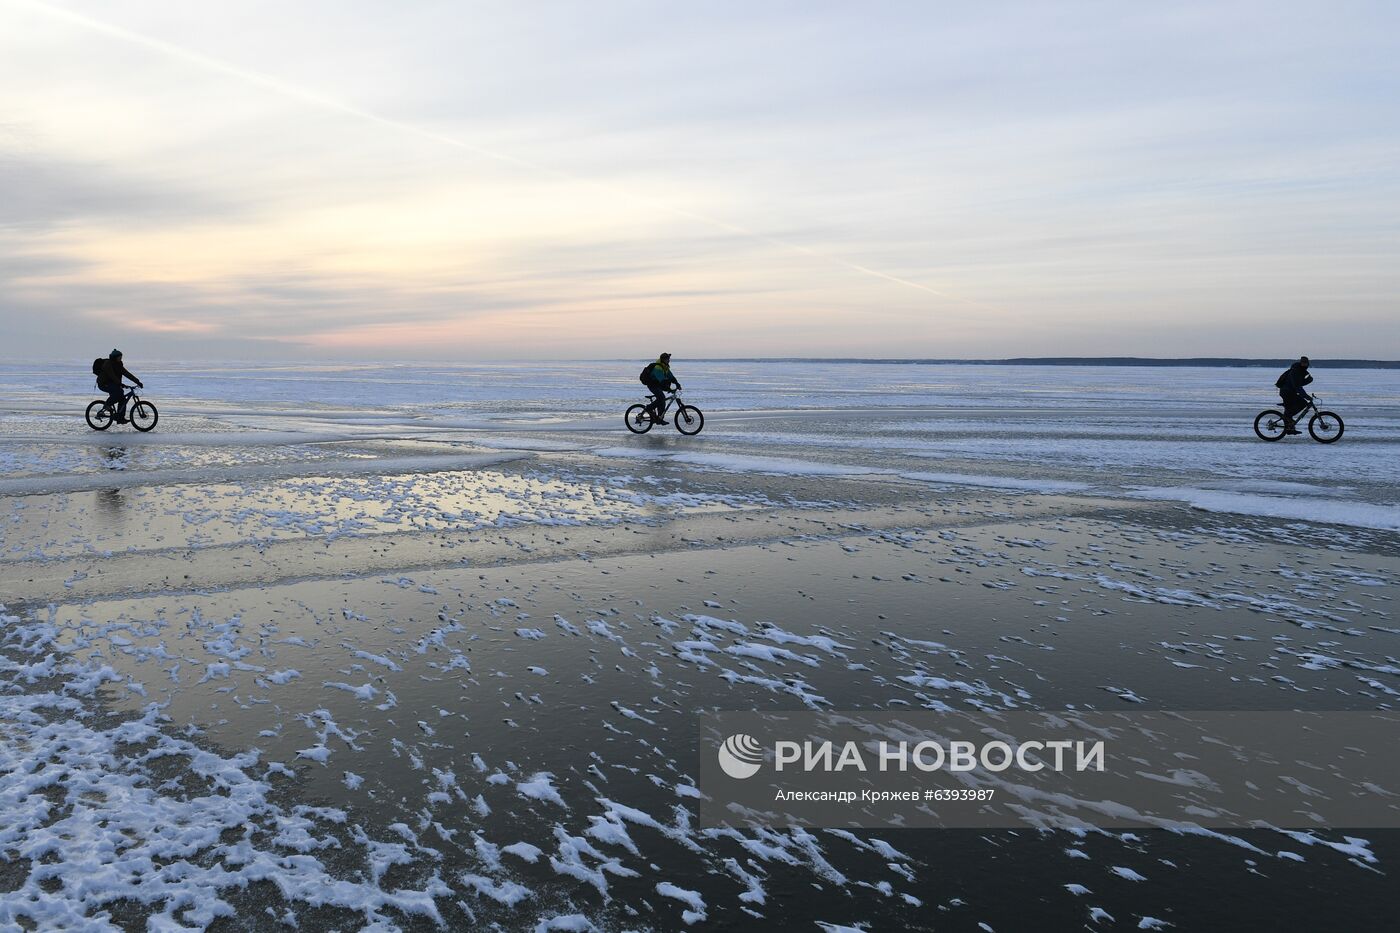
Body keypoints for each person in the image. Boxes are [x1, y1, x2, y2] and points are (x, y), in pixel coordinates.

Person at [97, 349, 142, 423]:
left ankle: (120, 418)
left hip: (112, 383)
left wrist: (137, 381)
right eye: (119, 357)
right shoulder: (108, 364)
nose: (121, 358)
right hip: (103, 384)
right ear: (115, 357)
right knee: (118, 391)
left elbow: (127, 374)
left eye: (121, 357)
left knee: (122, 399)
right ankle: (107, 405)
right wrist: (120, 384)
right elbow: (112, 376)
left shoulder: (119, 364)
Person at [1275, 355, 1313, 435]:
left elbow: (1299, 384)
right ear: (1300, 363)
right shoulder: (1296, 371)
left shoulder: (1300, 371)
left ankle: (1289, 429)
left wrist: (1308, 380)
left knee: (1289, 409)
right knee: (1303, 403)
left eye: (1306, 363)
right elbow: (1297, 386)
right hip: (1287, 392)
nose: (1304, 365)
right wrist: (1306, 396)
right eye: (1303, 363)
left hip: (1289, 392)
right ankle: (1288, 419)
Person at [639, 352, 680, 424]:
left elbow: (671, 377)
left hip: (657, 385)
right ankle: (648, 408)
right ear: (663, 359)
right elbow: (662, 380)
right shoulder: (658, 368)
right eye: (667, 359)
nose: (669, 360)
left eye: (669, 359)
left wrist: (677, 383)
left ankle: (659, 419)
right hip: (652, 385)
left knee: (662, 401)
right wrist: (669, 389)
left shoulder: (665, 367)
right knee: (661, 398)